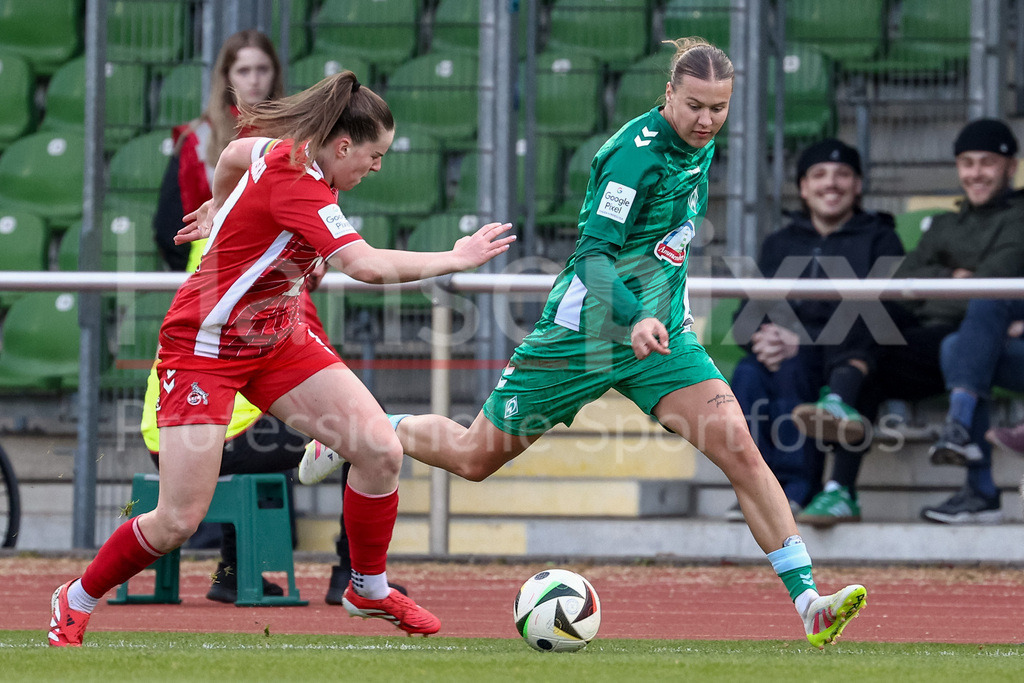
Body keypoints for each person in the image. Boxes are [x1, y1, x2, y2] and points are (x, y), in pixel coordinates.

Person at [301, 38, 868, 649]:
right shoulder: (633, 157)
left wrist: (655, 317)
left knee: (739, 448)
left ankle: (809, 601)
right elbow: (594, 257)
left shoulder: (698, 144)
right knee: (473, 459)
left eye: (720, 109)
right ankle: (371, 430)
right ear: (669, 94)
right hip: (582, 334)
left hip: (662, 336)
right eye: (696, 106)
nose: (707, 121)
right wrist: (633, 317)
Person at [47, 70, 515, 647]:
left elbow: (234, 152)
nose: (377, 167)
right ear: (343, 145)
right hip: (205, 348)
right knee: (177, 520)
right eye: (376, 155)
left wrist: (217, 205)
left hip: (275, 339)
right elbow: (365, 267)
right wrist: (456, 257)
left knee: (378, 448)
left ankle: (367, 588)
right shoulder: (300, 181)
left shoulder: (288, 153)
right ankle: (76, 598)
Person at [792, 117, 1024, 525]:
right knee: (867, 310)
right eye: (967, 163)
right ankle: (839, 480)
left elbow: (993, 283)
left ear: (1011, 166)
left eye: (987, 163)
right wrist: (955, 280)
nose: (975, 173)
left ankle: (977, 487)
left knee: (968, 336)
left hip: (978, 339)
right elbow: (903, 279)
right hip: (932, 337)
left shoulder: (1019, 217)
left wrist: (944, 282)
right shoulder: (948, 222)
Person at [727, 139, 904, 524]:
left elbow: (882, 314)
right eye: (819, 175)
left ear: (857, 185)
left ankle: (793, 490)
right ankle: (754, 490)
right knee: (746, 373)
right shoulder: (779, 243)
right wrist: (761, 338)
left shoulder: (880, 238)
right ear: (804, 187)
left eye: (843, 175)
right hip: (782, 353)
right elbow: (746, 313)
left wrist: (801, 341)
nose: (831, 184)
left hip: (840, 361)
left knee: (793, 369)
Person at [154, 29, 284, 271]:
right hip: (211, 274)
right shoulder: (197, 140)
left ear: (275, 73)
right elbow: (170, 228)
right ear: (227, 77)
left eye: (262, 69)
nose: (254, 80)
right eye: (244, 71)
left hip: (277, 275)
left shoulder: (295, 135)